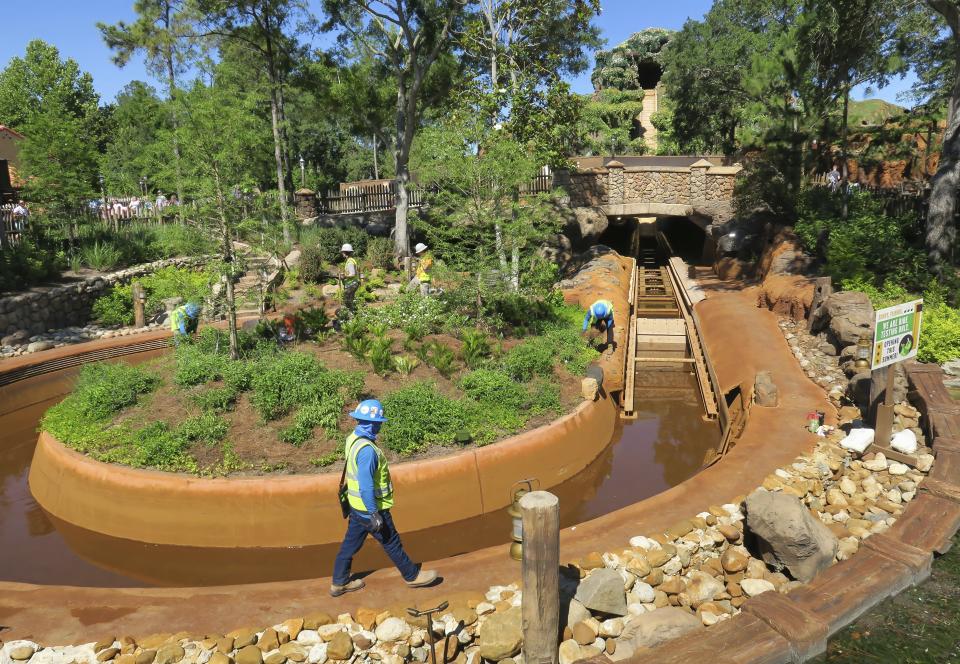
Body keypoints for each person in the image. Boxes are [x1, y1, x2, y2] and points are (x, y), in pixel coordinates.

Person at [331, 399, 438, 596]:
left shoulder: (352, 438)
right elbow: (365, 486)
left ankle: (339, 582)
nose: (380, 425)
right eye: (379, 422)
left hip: (356, 507)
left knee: (350, 544)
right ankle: (412, 576)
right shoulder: (367, 452)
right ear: (372, 423)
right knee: (391, 541)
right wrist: (373, 513)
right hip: (370, 508)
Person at [339, 243, 361, 312]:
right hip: (353, 284)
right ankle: (352, 315)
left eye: (342, 252)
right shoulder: (351, 260)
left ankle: (350, 316)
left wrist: (344, 276)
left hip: (352, 284)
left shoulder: (350, 262)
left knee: (347, 301)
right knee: (349, 301)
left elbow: (352, 274)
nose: (342, 253)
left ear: (345, 252)